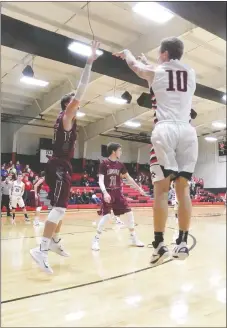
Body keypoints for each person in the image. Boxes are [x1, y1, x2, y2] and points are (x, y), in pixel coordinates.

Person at [114, 36, 198, 265]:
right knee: (183, 189)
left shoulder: (156, 71)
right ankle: (181, 241)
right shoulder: (190, 72)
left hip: (165, 130)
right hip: (188, 132)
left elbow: (137, 68)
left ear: (163, 54)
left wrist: (127, 53)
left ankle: (159, 244)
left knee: (161, 190)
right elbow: (163, 75)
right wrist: (151, 63)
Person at [30, 40, 101, 274]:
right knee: (59, 209)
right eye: (75, 104)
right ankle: (40, 249)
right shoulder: (67, 116)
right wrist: (89, 63)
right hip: (59, 166)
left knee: (61, 208)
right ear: (69, 105)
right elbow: (80, 89)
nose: (78, 106)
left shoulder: (65, 119)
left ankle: (54, 240)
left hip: (61, 166)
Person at [91, 142, 145, 251]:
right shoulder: (104, 163)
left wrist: (138, 188)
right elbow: (100, 180)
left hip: (118, 192)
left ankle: (133, 238)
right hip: (108, 192)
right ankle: (96, 240)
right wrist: (105, 193)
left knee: (129, 213)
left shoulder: (120, 165)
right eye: (119, 150)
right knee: (106, 216)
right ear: (113, 151)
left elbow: (128, 178)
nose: (121, 152)